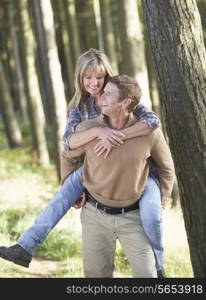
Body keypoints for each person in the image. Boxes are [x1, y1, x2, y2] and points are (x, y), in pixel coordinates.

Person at [0, 49, 163, 275]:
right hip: (96, 170)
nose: (94, 83)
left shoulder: (122, 95)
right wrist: (98, 132)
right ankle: (25, 247)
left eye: (99, 77)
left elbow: (153, 121)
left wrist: (117, 135)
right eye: (88, 77)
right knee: (60, 199)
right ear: (80, 78)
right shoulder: (80, 107)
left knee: (152, 216)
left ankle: (159, 266)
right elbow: (68, 144)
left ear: (108, 76)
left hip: (136, 172)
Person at [61, 75, 175, 277]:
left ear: (126, 102)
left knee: (147, 277)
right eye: (103, 92)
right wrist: (70, 186)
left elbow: (166, 168)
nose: (101, 97)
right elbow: (68, 154)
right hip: (94, 215)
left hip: (133, 218)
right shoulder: (89, 129)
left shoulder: (149, 133)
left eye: (109, 94)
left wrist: (160, 202)